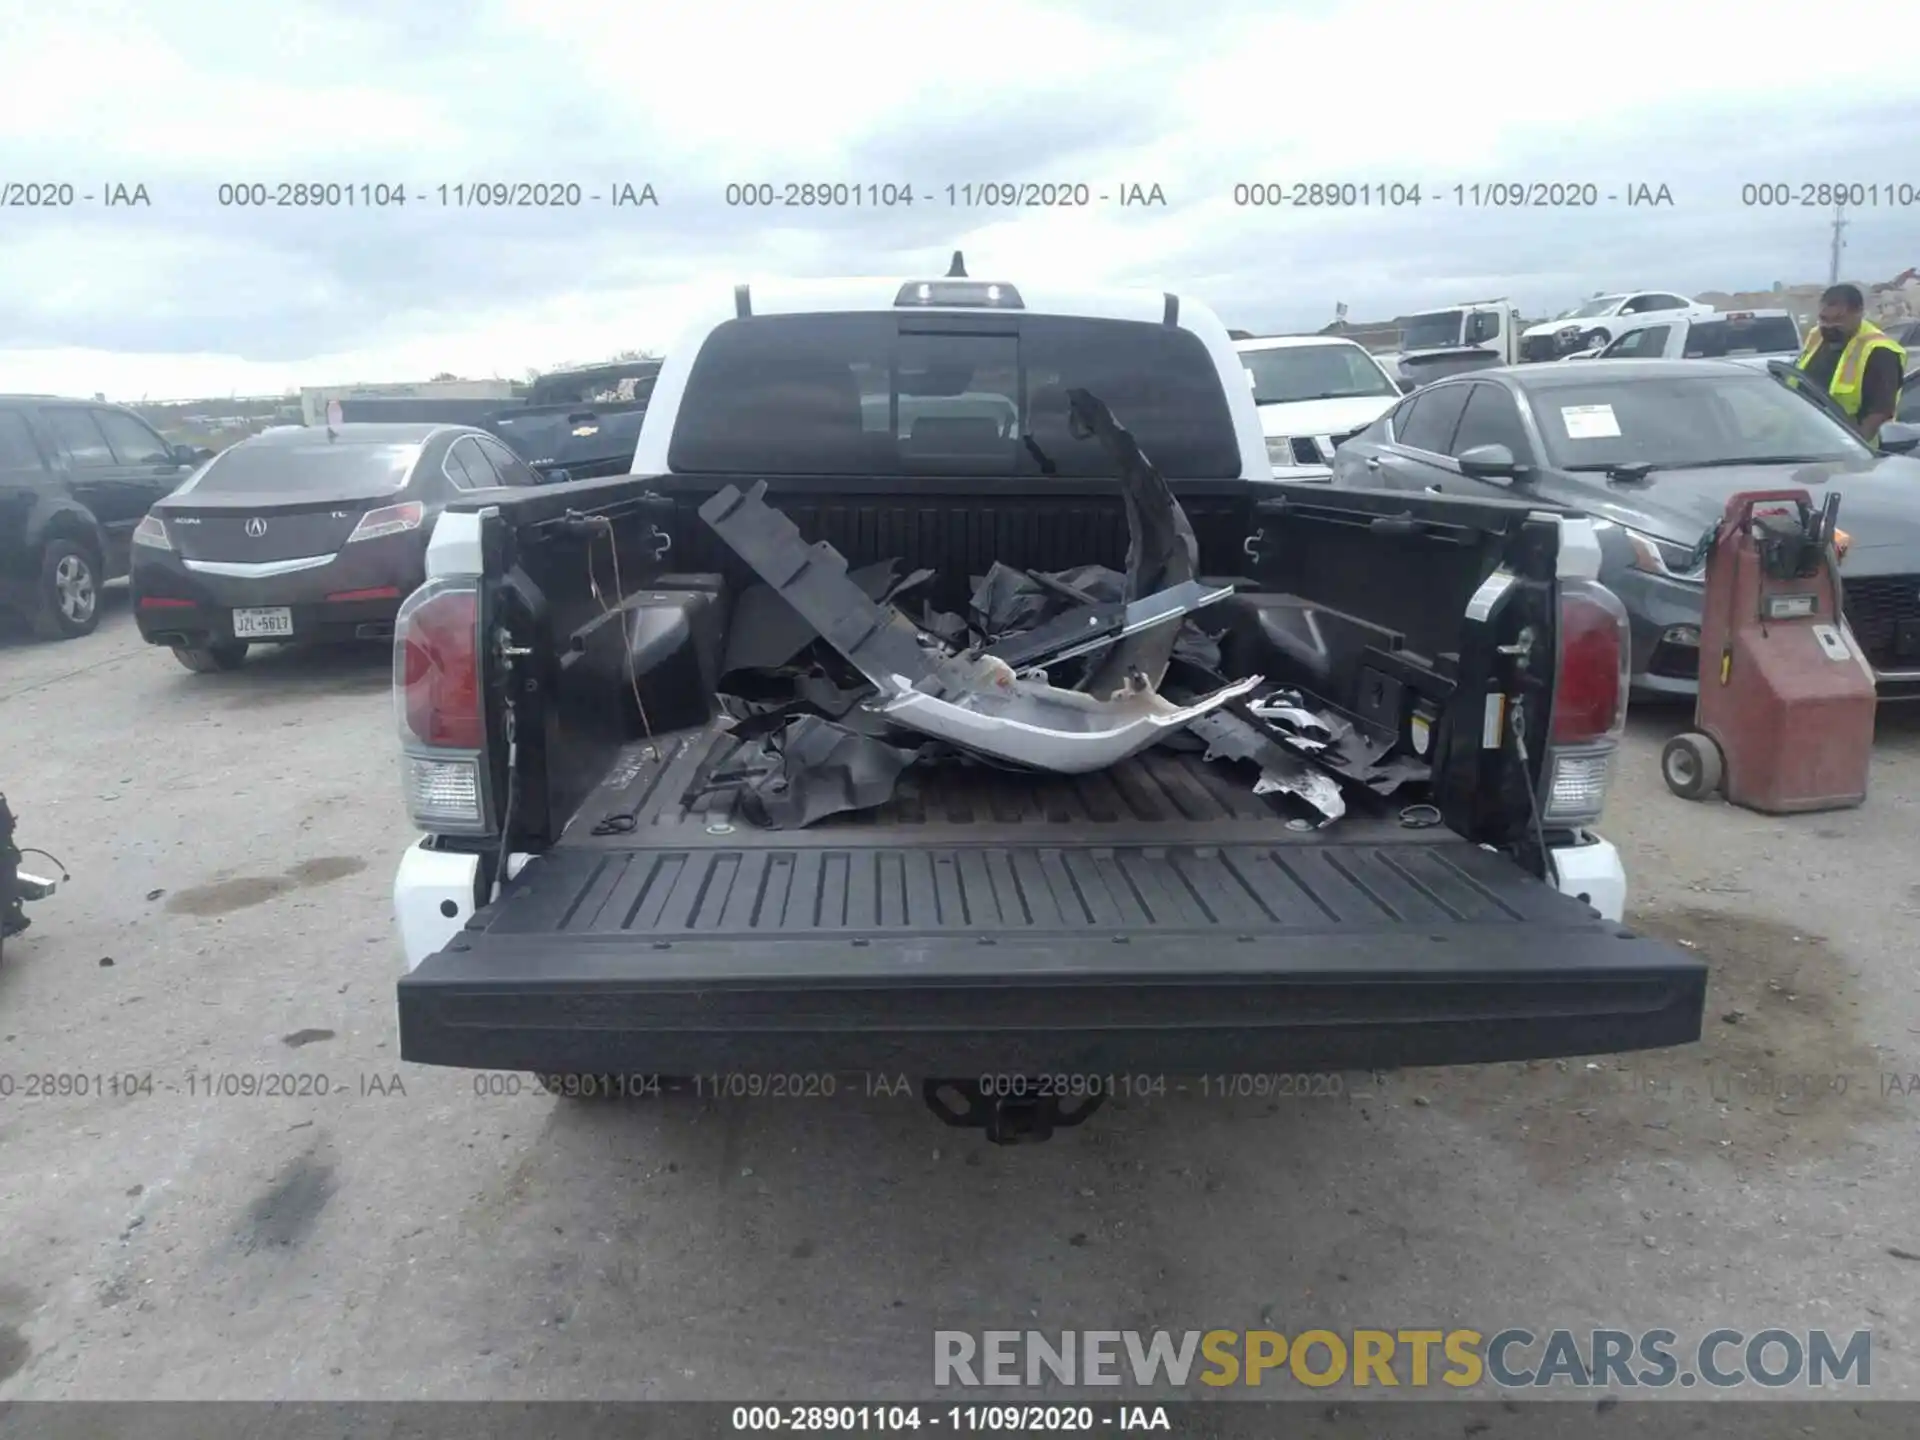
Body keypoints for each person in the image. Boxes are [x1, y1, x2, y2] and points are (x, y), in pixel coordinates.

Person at [1794, 283, 1906, 446]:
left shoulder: (1880, 351)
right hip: (1807, 443)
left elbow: (1880, 413)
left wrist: (1851, 446)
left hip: (1853, 454)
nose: (1829, 326)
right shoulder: (1817, 336)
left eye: (1839, 319)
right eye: (1824, 319)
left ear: (1859, 313)